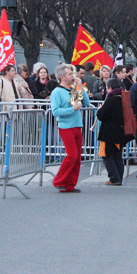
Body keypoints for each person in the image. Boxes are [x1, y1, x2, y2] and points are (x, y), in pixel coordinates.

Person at [49, 64, 91, 193]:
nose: (73, 76)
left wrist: (81, 90)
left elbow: (86, 103)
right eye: (69, 74)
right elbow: (55, 111)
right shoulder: (57, 92)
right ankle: (59, 180)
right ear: (62, 77)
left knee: (77, 157)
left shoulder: (73, 88)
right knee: (72, 155)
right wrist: (72, 109)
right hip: (66, 126)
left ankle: (70, 184)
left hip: (77, 125)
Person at [96, 78, 134, 186]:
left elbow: (101, 116)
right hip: (122, 132)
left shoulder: (111, 99)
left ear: (110, 88)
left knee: (107, 154)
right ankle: (119, 177)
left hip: (110, 132)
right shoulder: (124, 97)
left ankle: (114, 178)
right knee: (117, 155)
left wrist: (100, 110)